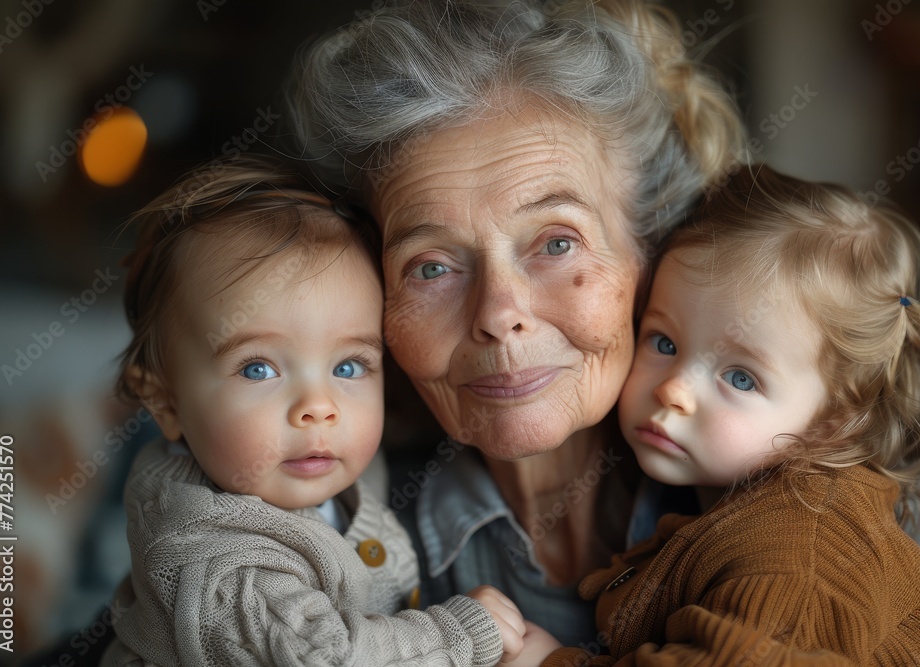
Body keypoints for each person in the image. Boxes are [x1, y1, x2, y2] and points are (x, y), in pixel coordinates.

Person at [288, 0, 745, 648]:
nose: (500, 315)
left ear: (652, 254)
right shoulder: (323, 537)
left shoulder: (771, 502)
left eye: (557, 244)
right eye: (431, 268)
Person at [539, 165, 920, 665]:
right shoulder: (741, 496)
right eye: (664, 342)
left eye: (741, 378)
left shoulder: (802, 541)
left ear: (833, 421)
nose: (673, 391)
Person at [100, 156, 530, 666]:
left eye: (349, 367)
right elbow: (326, 658)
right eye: (258, 369)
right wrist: (460, 634)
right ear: (165, 403)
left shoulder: (327, 461)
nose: (319, 408)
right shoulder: (216, 559)